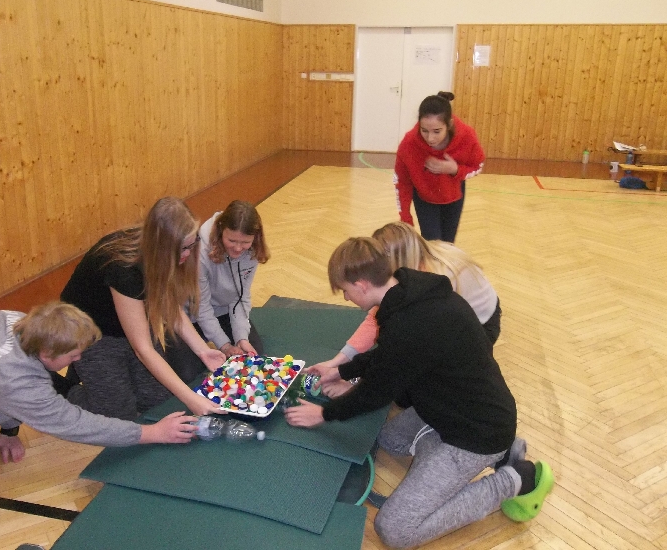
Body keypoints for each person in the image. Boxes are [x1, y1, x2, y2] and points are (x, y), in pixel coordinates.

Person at [285, 238, 553, 548]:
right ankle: (501, 452)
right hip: (460, 411)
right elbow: (390, 357)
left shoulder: (411, 323)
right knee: (391, 440)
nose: (345, 297)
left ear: (361, 285)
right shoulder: (412, 296)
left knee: (394, 530)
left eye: (345, 290)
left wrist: (323, 414)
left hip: (477, 435)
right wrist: (341, 370)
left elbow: (374, 392)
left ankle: (515, 479)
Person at [0, 303, 200, 528]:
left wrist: (9, 430)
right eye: (74, 354)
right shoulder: (12, 377)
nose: (78, 359)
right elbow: (73, 423)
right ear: (47, 353)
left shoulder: (17, 322)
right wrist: (152, 433)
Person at [60, 197, 226, 420]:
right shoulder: (124, 269)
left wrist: (203, 350)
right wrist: (190, 398)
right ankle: (65, 388)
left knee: (159, 401)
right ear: (161, 246)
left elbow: (170, 305)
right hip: (92, 331)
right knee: (119, 414)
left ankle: (98, 377)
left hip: (132, 318)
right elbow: (143, 350)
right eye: (181, 249)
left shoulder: (167, 253)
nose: (187, 254)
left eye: (190, 245)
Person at [315, 221, 502, 398]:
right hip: (471, 317)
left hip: (483, 325)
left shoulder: (435, 282)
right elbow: (376, 317)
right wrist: (338, 362)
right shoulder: (417, 265)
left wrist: (356, 389)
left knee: (426, 380)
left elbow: (410, 356)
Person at [394, 91, 484, 243]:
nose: (430, 138)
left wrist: (455, 170)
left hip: (453, 196)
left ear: (449, 124)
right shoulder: (409, 144)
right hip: (424, 197)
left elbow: (478, 165)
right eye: (424, 130)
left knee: (448, 244)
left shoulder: (466, 136)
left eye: (437, 131)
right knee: (432, 244)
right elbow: (402, 181)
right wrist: (405, 217)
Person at [192, 200, 270, 357]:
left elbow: (241, 296)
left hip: (225, 310)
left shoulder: (253, 250)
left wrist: (241, 337)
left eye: (245, 242)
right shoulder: (201, 252)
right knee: (187, 368)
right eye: (232, 241)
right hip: (193, 313)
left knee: (253, 351)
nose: (238, 248)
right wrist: (224, 345)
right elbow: (201, 306)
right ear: (221, 230)